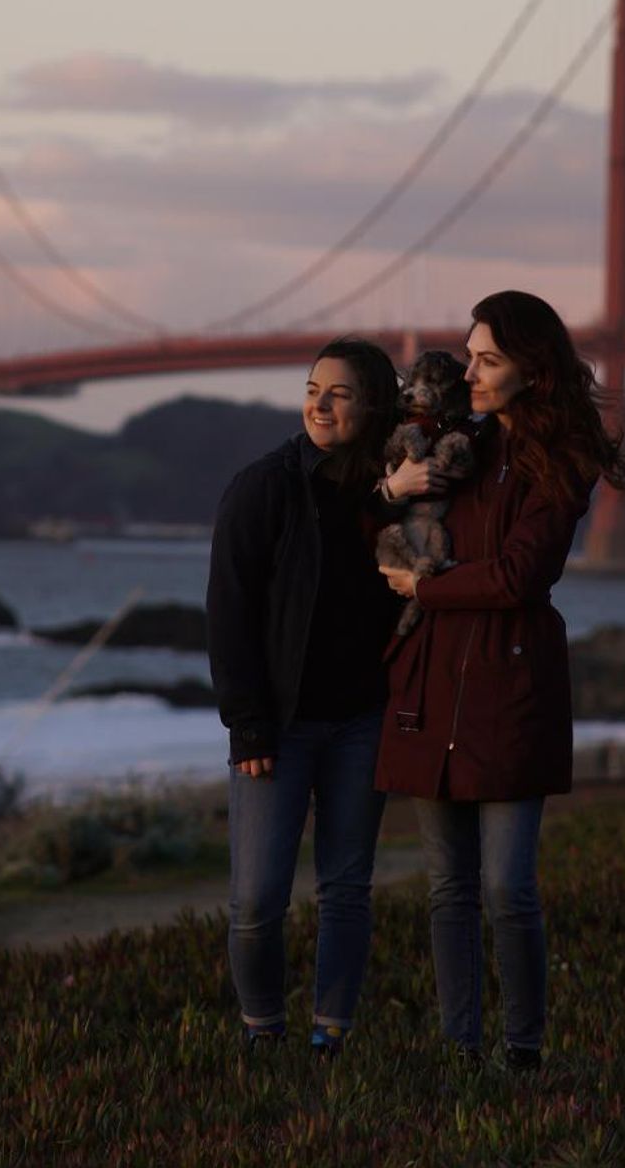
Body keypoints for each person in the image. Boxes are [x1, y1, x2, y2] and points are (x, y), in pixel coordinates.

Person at [376, 291, 625, 1072]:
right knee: (448, 889)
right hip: (431, 680)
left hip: (507, 684)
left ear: (531, 367)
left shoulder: (566, 459)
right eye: (471, 355)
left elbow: (521, 574)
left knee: (507, 888)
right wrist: (391, 497)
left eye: (488, 360)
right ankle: (460, 1050)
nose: (471, 372)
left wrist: (425, 590)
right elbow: (397, 528)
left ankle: (522, 1052)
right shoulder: (462, 443)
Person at [206, 336, 401, 1055]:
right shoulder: (264, 486)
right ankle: (263, 1030)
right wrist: (247, 726)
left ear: (375, 405)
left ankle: (332, 1035)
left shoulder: (397, 493)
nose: (320, 403)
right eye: (313, 388)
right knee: (256, 901)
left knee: (346, 889)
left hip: (362, 721)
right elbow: (228, 612)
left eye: (340, 393)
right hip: (279, 726)